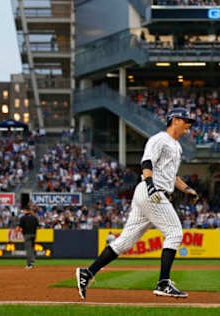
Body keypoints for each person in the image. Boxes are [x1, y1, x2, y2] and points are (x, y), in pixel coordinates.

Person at [76, 108, 199, 300]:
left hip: (152, 193)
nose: (189, 124)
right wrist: (150, 185)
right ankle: (163, 282)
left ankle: (88, 273)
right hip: (152, 191)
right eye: (186, 120)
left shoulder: (176, 146)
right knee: (175, 233)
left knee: (124, 242)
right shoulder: (159, 139)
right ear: (175, 120)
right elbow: (147, 162)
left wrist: (187, 189)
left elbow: (171, 175)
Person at [18, 194, 39, 269]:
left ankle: (29, 264)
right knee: (32, 248)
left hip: (27, 235)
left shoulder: (22, 218)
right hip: (34, 234)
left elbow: (19, 228)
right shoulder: (34, 217)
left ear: (25, 210)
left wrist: (21, 231)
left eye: (23, 210)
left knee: (28, 249)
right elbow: (38, 227)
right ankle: (32, 262)